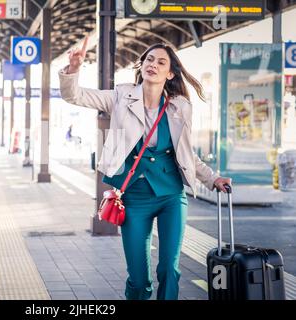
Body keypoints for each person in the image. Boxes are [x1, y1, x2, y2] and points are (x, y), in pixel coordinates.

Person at [58, 38, 232, 300]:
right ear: (142, 66)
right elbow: (75, 95)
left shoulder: (179, 107)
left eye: (161, 62)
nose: (153, 64)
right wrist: (73, 68)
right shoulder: (120, 97)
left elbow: (186, 154)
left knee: (169, 270)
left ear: (170, 72)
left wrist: (213, 178)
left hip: (171, 196)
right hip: (134, 197)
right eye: (149, 59)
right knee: (139, 279)